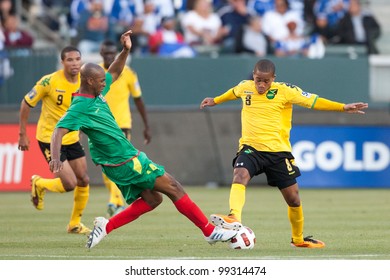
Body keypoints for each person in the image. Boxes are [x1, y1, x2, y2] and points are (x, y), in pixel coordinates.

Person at [49, 30, 238, 249]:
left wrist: (126, 50)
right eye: (101, 81)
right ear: (90, 81)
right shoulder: (80, 105)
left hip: (117, 162)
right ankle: (210, 231)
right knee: (174, 187)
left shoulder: (95, 92)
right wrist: (55, 159)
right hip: (125, 160)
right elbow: (58, 131)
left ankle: (106, 227)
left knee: (153, 200)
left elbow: (115, 71)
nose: (105, 83)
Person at [200, 59, 368, 248]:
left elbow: (313, 101)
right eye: (258, 80)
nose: (261, 85)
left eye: (266, 81)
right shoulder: (244, 87)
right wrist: (215, 100)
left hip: (278, 153)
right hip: (251, 148)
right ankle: (234, 217)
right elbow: (232, 92)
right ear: (253, 77)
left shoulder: (286, 91)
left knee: (293, 198)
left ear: (274, 78)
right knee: (240, 175)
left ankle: (298, 240)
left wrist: (342, 107)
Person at [18, 45, 91, 235]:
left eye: (77, 59)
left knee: (83, 179)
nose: (75, 63)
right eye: (70, 60)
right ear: (62, 62)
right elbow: (26, 103)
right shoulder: (49, 81)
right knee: (69, 184)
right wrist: (22, 133)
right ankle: (39, 183)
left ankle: (74, 224)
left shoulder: (84, 81)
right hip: (50, 138)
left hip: (72, 137)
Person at [99, 39, 151, 217]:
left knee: (117, 162)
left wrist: (146, 126)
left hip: (121, 124)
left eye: (111, 53)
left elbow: (138, 100)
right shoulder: (95, 72)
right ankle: (116, 200)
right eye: (105, 53)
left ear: (117, 54)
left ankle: (115, 201)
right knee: (104, 165)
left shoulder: (129, 73)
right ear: (101, 54)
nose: (108, 56)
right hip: (100, 124)